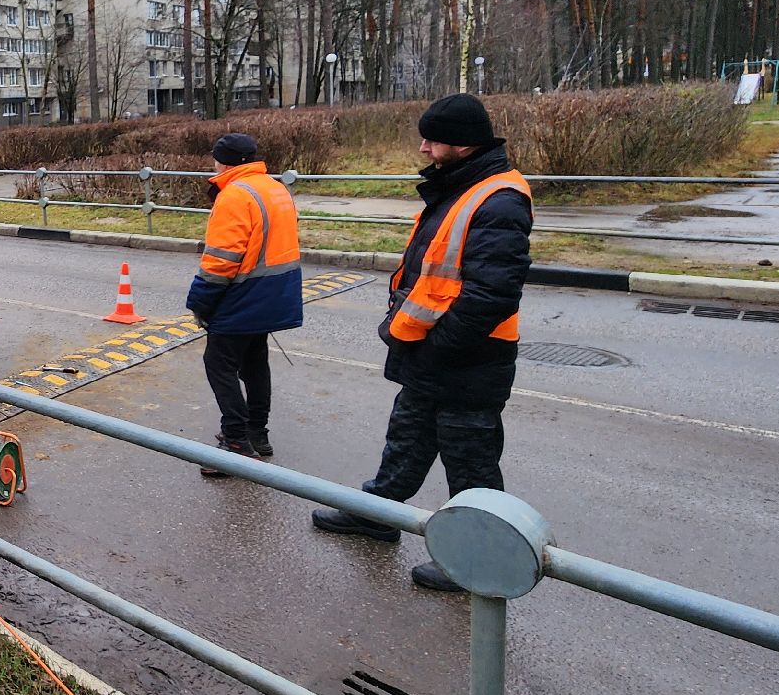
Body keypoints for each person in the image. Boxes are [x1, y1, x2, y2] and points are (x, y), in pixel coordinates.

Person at [311, 94, 532, 592]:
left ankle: (479, 558)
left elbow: (491, 294)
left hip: (467, 358)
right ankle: (377, 514)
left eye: (432, 139)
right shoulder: (463, 187)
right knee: (407, 440)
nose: (423, 148)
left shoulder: (498, 199)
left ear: (462, 143)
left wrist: (440, 347)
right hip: (434, 352)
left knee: (471, 462)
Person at [186, 133, 303, 473]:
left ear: (223, 160)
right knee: (254, 364)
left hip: (243, 294)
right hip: (275, 291)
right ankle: (258, 433)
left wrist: (200, 301)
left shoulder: (235, 195)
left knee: (219, 364)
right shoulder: (274, 187)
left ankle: (236, 441)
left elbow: (222, 260)